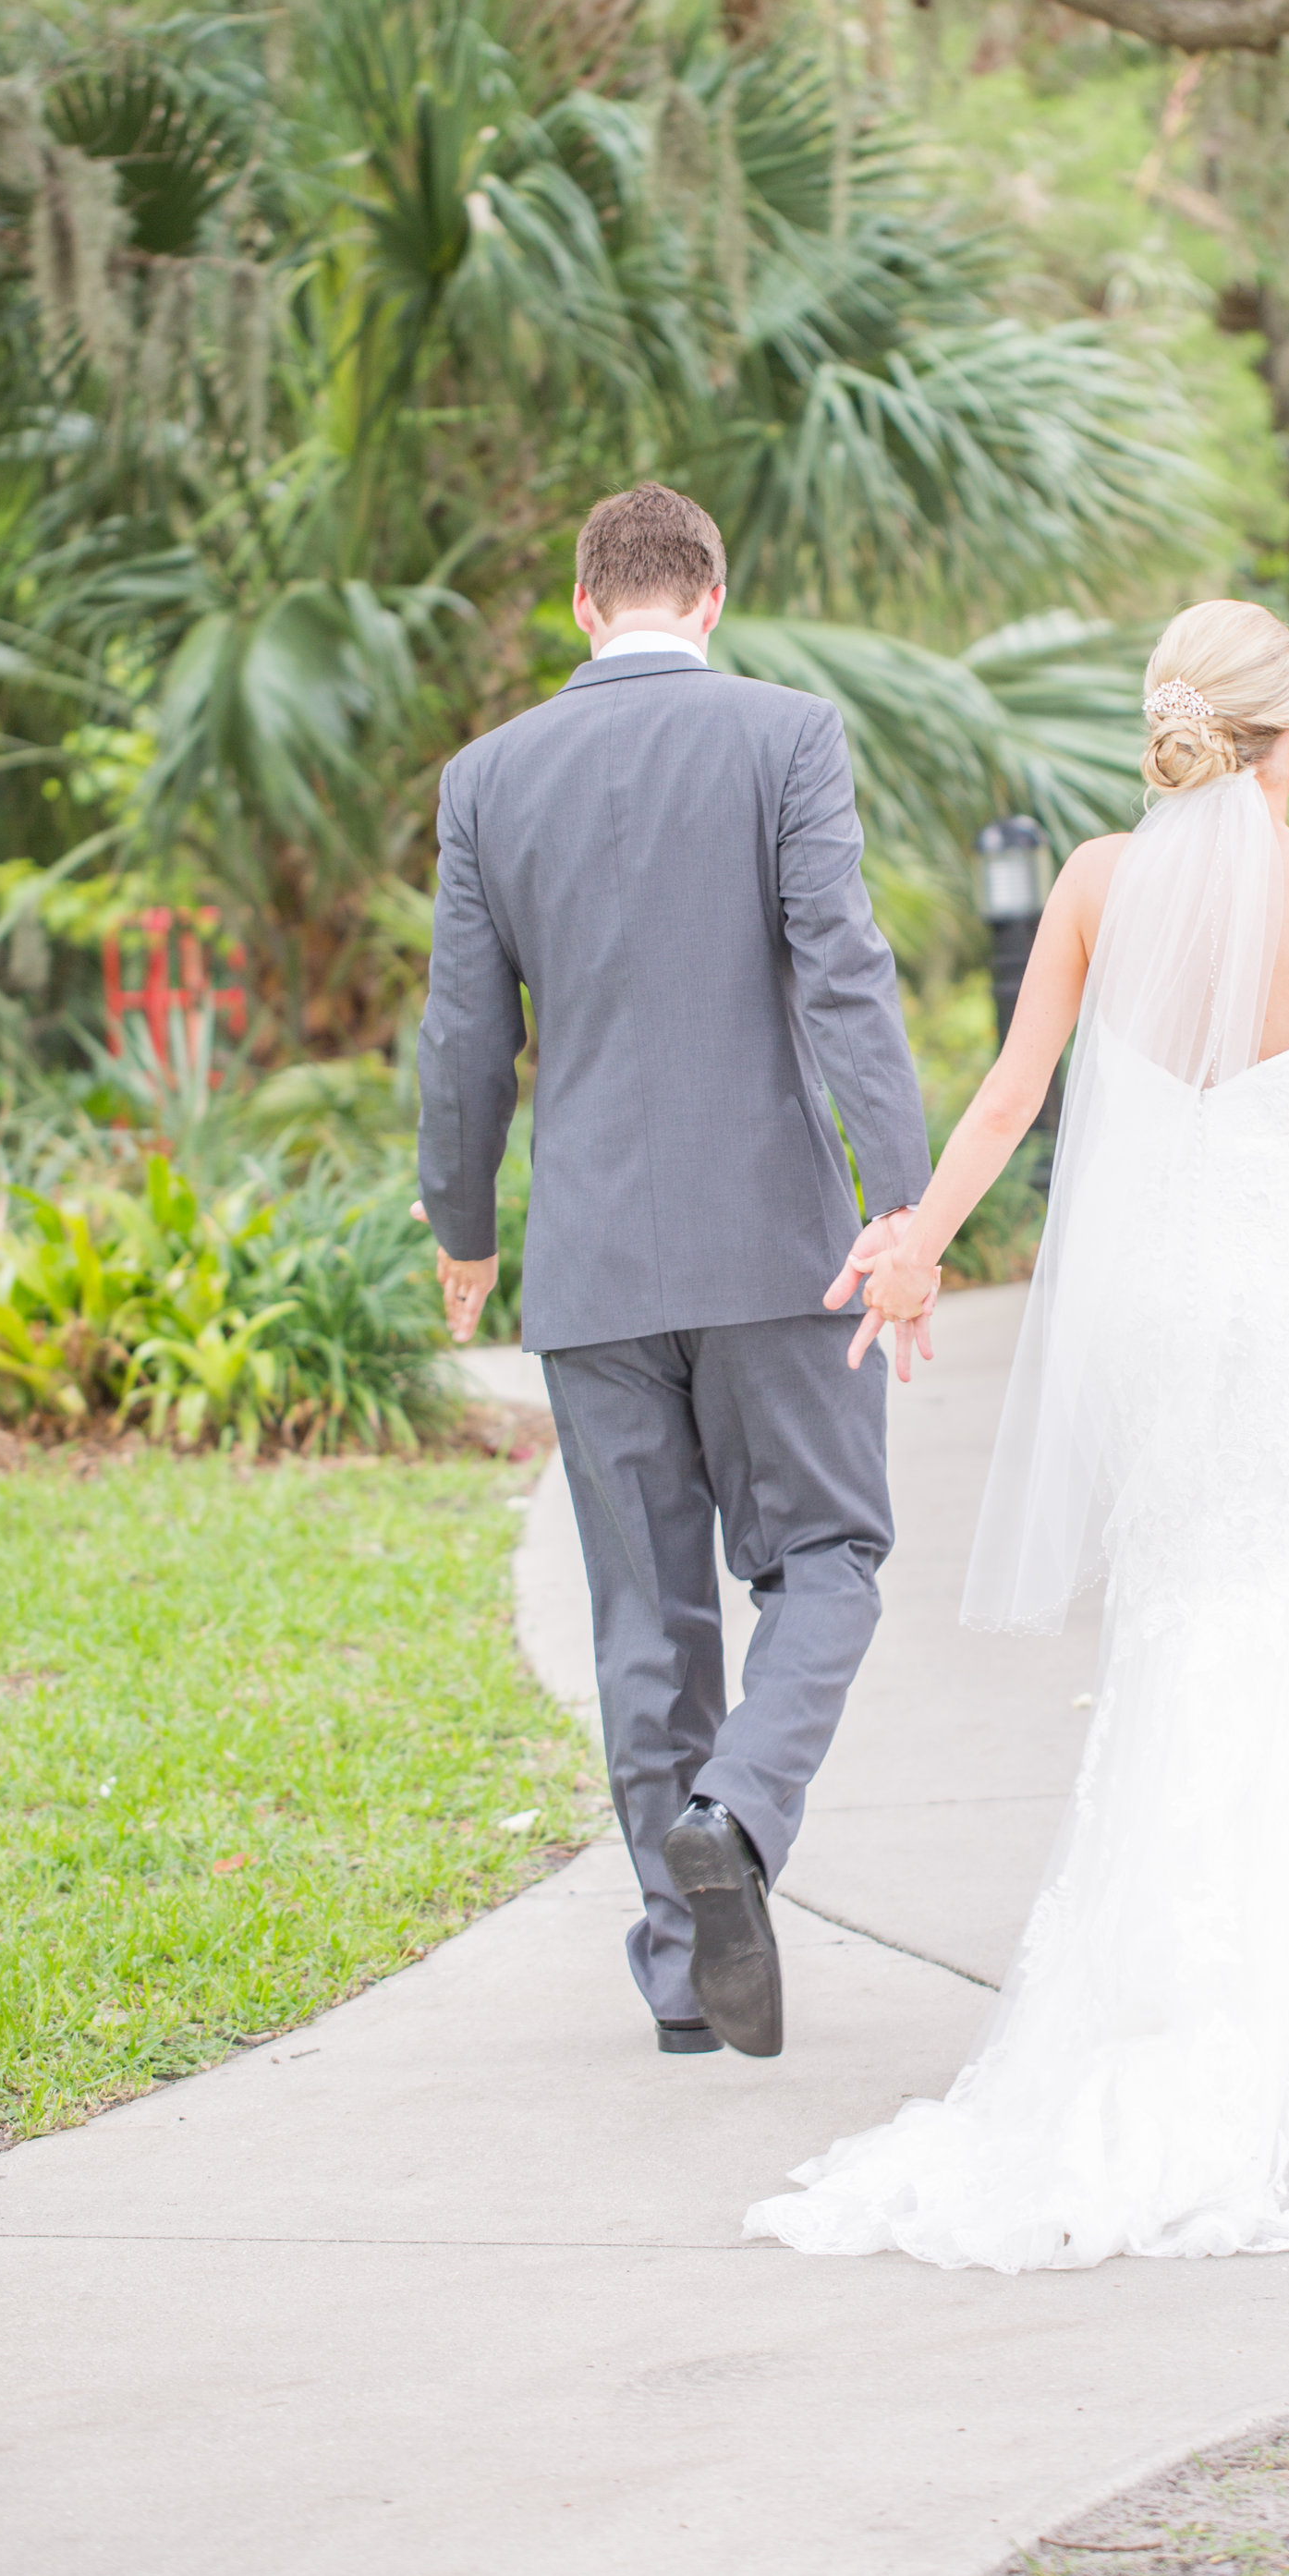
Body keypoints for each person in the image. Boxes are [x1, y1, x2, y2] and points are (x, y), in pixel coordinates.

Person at [746, 601, 1289, 2271]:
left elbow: (1005, 1100)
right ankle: (1252, 2026)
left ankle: (1143, 2009)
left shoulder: (1095, 882)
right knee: (1283, 1622)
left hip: (1151, 1313)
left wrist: (909, 1245)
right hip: (1288, 1306)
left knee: (1181, 1619)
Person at [415, 481, 934, 2062]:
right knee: (831, 1554)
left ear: (587, 607)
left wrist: (463, 1225)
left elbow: (461, 1038)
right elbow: (844, 973)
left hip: (590, 1267)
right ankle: (742, 1812)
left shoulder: (487, 778)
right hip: (780, 1246)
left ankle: (676, 1977)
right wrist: (904, 1210)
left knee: (646, 1618)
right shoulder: (787, 736)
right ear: (711, 597)